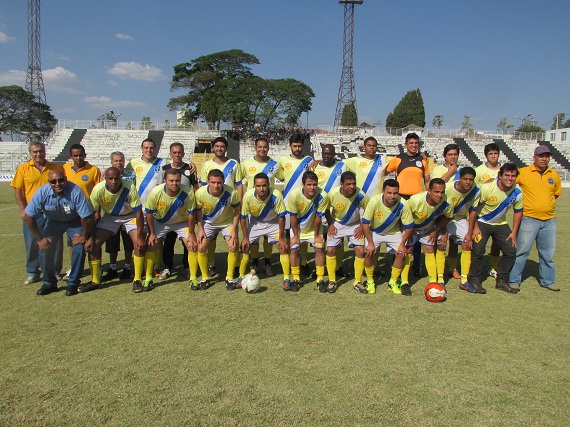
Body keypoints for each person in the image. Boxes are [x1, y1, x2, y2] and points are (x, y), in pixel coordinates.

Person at [23, 170, 94, 296]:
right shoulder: (42, 192)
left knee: (78, 247)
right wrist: (39, 239)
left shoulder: (75, 191)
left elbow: (87, 217)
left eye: (61, 180)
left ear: (65, 179)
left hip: (75, 221)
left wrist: (83, 236)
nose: (57, 184)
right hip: (53, 222)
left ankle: (73, 283)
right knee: (45, 246)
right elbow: (28, 216)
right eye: (53, 181)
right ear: (48, 182)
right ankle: (49, 282)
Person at [82, 167, 147, 293]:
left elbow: (138, 213)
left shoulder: (129, 187)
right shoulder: (98, 189)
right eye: (110, 178)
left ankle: (137, 279)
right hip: (110, 217)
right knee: (93, 245)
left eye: (116, 178)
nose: (113, 181)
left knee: (138, 245)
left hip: (129, 217)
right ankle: (95, 280)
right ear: (105, 178)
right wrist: (89, 237)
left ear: (120, 177)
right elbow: (94, 215)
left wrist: (139, 237)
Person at [508, 146, 562, 292]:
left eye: (546, 156)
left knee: (547, 253)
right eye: (541, 156)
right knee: (522, 251)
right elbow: (509, 183)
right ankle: (514, 280)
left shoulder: (554, 174)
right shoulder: (524, 172)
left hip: (550, 220)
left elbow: (555, 194)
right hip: (529, 219)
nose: (544, 159)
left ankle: (548, 281)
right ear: (534, 157)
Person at [11, 142, 64, 285]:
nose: (38, 154)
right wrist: (23, 209)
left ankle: (54, 271)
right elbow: (18, 190)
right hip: (33, 213)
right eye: (35, 152)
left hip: (53, 212)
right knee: (32, 243)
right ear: (30, 153)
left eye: (40, 151)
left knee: (55, 243)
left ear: (45, 152)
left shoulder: (55, 168)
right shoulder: (23, 169)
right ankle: (33, 272)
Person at [468, 163, 523, 294]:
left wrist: (514, 233)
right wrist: (475, 227)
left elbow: (518, 211)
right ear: (500, 176)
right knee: (478, 250)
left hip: (500, 224)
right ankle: (474, 280)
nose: (510, 178)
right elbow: (473, 209)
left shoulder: (518, 192)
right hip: (481, 221)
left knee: (510, 250)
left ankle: (502, 281)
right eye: (507, 175)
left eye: (513, 176)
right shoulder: (486, 188)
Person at [144, 168, 199, 292]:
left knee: (192, 245)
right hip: (161, 222)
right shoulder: (155, 192)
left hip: (181, 223)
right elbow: (149, 213)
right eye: (171, 181)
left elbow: (191, 214)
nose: (174, 183)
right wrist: (152, 233)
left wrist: (191, 233)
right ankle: (148, 279)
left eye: (177, 181)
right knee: (150, 245)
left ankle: (193, 278)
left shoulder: (188, 192)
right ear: (165, 181)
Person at [386, 133, 430, 276]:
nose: (414, 145)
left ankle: (415, 265)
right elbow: (382, 172)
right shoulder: (398, 159)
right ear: (406, 144)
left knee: (415, 232)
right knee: (399, 231)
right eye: (411, 143)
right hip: (401, 199)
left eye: (416, 143)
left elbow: (427, 180)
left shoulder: (423, 160)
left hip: (418, 201)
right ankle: (395, 262)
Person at [199, 136, 244, 276]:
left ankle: (235, 265)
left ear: (226, 148)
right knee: (210, 239)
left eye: (222, 146)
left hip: (229, 207)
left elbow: (239, 184)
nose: (219, 148)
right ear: (213, 148)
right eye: (217, 146)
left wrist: (239, 203)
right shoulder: (207, 165)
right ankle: (211, 263)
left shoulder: (234, 163)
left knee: (233, 238)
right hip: (211, 210)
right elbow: (202, 187)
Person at [361, 179, 414, 294]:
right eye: (389, 193)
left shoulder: (403, 204)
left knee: (401, 254)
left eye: (395, 193)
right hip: (375, 232)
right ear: (383, 191)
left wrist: (403, 245)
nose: (392, 196)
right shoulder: (374, 201)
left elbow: (409, 226)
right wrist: (370, 243)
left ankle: (393, 282)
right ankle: (370, 281)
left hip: (393, 233)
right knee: (369, 252)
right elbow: (365, 223)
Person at [239, 173, 289, 288]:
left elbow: (281, 217)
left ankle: (287, 279)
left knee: (283, 247)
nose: (261, 189)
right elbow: (243, 218)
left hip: (273, 222)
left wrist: (281, 238)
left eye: (264, 186)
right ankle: (241, 277)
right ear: (254, 186)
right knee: (245, 247)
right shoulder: (248, 196)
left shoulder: (276, 195)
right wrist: (245, 238)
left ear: (268, 185)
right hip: (256, 222)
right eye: (258, 186)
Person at [240, 137, 280, 276]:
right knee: (254, 238)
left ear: (268, 148)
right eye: (260, 147)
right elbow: (239, 181)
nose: (262, 149)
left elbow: (286, 176)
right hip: (253, 205)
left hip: (269, 205)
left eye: (265, 147)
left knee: (268, 238)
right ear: (255, 148)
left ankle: (268, 262)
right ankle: (255, 262)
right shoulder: (245, 164)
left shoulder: (275, 165)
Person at [195, 169, 241, 290]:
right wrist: (200, 229)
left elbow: (237, 211)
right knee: (201, 246)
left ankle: (229, 278)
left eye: (219, 182)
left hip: (227, 222)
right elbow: (198, 212)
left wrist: (234, 229)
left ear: (223, 182)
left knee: (233, 244)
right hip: (208, 222)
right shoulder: (200, 193)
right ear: (208, 182)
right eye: (213, 182)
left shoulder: (232, 193)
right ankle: (205, 278)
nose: (216, 185)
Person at [61, 143, 101, 280]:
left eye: (80, 155)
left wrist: (97, 212)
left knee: (93, 241)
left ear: (85, 155)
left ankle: (96, 268)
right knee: (73, 242)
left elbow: (98, 193)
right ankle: (73, 268)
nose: (78, 157)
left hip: (89, 212)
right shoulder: (65, 169)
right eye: (75, 155)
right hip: (71, 213)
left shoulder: (93, 170)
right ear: (71, 156)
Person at [407, 178, 454, 294]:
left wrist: (436, 230)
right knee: (408, 250)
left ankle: (436, 281)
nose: (440, 195)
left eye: (442, 192)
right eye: (436, 192)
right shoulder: (415, 200)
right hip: (412, 228)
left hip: (429, 228)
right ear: (429, 191)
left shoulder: (448, 202)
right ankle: (404, 281)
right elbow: (405, 215)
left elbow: (447, 217)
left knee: (432, 248)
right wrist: (409, 230)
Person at [160, 143, 199, 281]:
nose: (177, 155)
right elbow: (160, 187)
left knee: (186, 241)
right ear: (170, 154)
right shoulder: (164, 169)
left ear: (183, 154)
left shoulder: (190, 168)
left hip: (185, 212)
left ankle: (187, 267)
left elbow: (196, 187)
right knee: (168, 242)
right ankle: (167, 267)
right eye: (174, 153)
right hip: (169, 212)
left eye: (179, 152)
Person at [276, 134, 314, 275]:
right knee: (288, 233)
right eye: (294, 146)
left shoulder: (309, 160)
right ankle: (288, 261)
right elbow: (279, 176)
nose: (297, 148)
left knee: (302, 232)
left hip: (304, 203)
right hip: (287, 202)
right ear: (290, 146)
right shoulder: (283, 160)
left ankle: (303, 262)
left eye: (299, 146)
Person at [326, 171, 369, 293]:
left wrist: (361, 226)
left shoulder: (361, 195)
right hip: (337, 223)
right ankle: (332, 281)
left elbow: (368, 209)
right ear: (341, 184)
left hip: (355, 224)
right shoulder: (333, 194)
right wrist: (330, 225)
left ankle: (358, 282)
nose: (352, 186)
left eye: (354, 183)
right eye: (348, 184)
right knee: (331, 250)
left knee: (360, 250)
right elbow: (326, 209)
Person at [287, 171, 329, 292]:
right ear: (303, 185)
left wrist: (316, 235)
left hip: (313, 229)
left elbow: (318, 218)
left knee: (319, 249)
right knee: (294, 249)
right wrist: (295, 236)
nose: (312, 187)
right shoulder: (294, 195)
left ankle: (320, 279)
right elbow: (293, 218)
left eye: (315, 184)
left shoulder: (323, 196)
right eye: (309, 184)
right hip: (298, 229)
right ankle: (296, 279)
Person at [444, 167, 481, 292]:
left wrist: (470, 232)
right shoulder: (448, 188)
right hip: (444, 220)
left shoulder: (476, 191)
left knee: (467, 243)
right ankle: (438, 279)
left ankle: (464, 281)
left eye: (471, 179)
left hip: (459, 220)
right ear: (459, 179)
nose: (468, 182)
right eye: (465, 179)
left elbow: (473, 211)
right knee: (439, 244)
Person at [314, 144, 348, 277]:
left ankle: (338, 267)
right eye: (324, 153)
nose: (326, 155)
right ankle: (320, 267)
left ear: (334, 154)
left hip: (336, 210)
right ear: (321, 153)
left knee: (337, 240)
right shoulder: (315, 167)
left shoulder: (342, 166)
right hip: (321, 209)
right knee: (320, 240)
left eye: (329, 153)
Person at [102, 152, 136, 281]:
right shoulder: (106, 175)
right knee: (112, 243)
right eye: (116, 161)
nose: (118, 163)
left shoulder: (131, 174)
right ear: (111, 162)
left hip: (128, 213)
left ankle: (127, 267)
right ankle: (112, 267)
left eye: (121, 160)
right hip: (112, 214)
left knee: (128, 243)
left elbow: (134, 191)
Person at [474, 143, 502, 279]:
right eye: (490, 153)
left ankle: (493, 267)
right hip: (481, 214)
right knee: (479, 244)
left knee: (497, 242)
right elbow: (473, 189)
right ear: (486, 155)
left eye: (495, 153)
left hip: (498, 213)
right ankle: (475, 270)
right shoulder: (479, 171)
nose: (493, 156)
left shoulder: (502, 171)